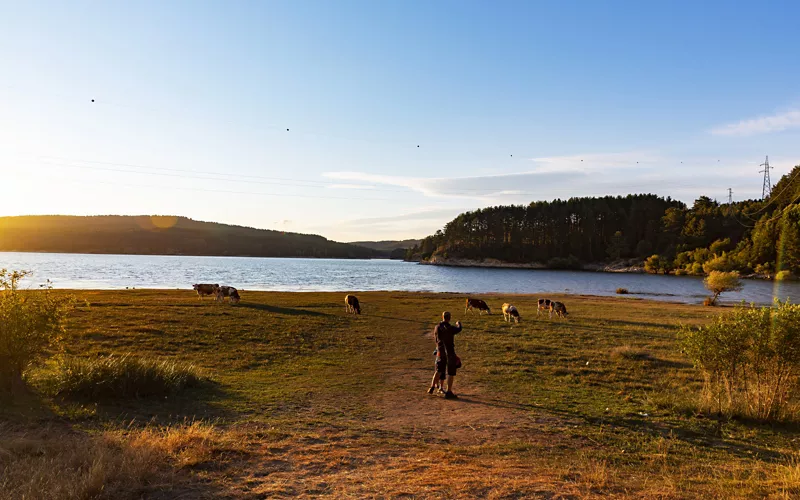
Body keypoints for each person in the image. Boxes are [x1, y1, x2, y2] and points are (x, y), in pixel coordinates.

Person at [427, 311, 462, 399]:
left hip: (440, 352)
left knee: (438, 370)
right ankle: (449, 392)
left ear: (442, 317)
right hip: (450, 352)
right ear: (449, 318)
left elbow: (436, 339)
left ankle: (432, 387)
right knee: (451, 373)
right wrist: (459, 324)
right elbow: (459, 329)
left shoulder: (437, 327)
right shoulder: (450, 328)